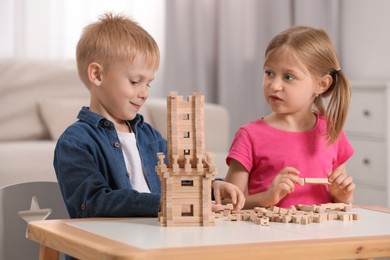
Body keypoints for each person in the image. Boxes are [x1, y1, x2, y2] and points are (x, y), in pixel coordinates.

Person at [54, 12, 244, 220]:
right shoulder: (75, 143)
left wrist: (212, 186)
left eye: (148, 83)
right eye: (135, 81)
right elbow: (92, 203)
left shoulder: (151, 137)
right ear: (97, 75)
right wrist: (164, 203)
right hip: (109, 247)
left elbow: (182, 176)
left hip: (155, 239)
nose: (144, 93)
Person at [225, 26, 355, 209]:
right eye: (269, 73)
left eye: (288, 77)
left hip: (321, 237)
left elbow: (338, 203)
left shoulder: (331, 132)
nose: (275, 85)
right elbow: (227, 204)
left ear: (322, 84)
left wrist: (342, 197)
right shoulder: (249, 136)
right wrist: (266, 198)